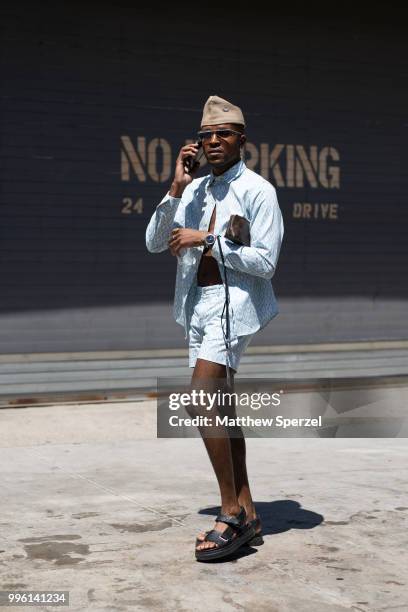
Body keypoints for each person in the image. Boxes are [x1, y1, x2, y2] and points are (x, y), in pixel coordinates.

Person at [145, 95, 284, 561]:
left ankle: (231, 513)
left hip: (235, 304)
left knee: (201, 398)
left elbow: (264, 262)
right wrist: (176, 188)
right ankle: (249, 511)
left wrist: (206, 238)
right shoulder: (196, 190)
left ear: (242, 139)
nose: (214, 142)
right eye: (206, 135)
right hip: (198, 306)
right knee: (220, 408)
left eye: (224, 134)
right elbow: (153, 243)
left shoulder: (259, 191)